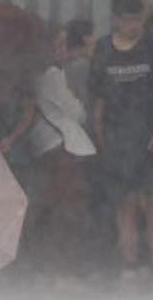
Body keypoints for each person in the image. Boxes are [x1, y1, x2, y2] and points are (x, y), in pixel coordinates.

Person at [91, 0, 153, 283]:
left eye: (138, 19)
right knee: (125, 203)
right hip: (117, 138)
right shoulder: (103, 50)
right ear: (115, 20)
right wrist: (100, 134)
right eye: (128, 20)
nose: (134, 26)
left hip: (150, 136)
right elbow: (98, 99)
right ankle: (129, 265)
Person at [24, 29, 99, 280]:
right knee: (68, 211)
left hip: (44, 147)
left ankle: (51, 268)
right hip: (65, 147)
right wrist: (78, 100)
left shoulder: (30, 77)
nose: (62, 50)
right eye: (57, 44)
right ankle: (65, 269)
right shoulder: (53, 74)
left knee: (52, 209)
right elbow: (76, 113)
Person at [61, 18, 97, 111]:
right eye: (92, 35)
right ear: (86, 39)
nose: (95, 39)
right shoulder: (82, 65)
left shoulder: (67, 64)